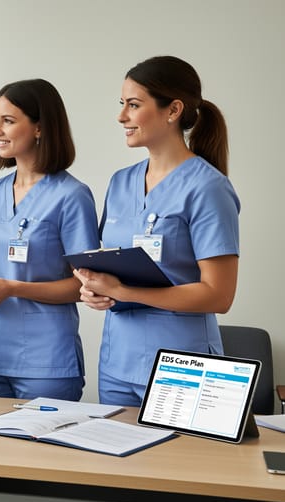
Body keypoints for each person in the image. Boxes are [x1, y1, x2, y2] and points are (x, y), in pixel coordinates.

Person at [75, 56, 240, 406]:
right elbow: (113, 265)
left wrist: (126, 291)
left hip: (182, 366)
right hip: (118, 363)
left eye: (134, 105)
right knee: (115, 461)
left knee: (177, 462)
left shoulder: (208, 188)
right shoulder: (121, 183)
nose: (122, 117)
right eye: (122, 105)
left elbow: (219, 295)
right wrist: (96, 291)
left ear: (173, 110)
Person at [0, 79, 99, 401]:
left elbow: (85, 285)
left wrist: (13, 288)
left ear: (39, 128)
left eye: (8, 121)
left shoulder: (72, 196)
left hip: (46, 360)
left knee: (40, 452)